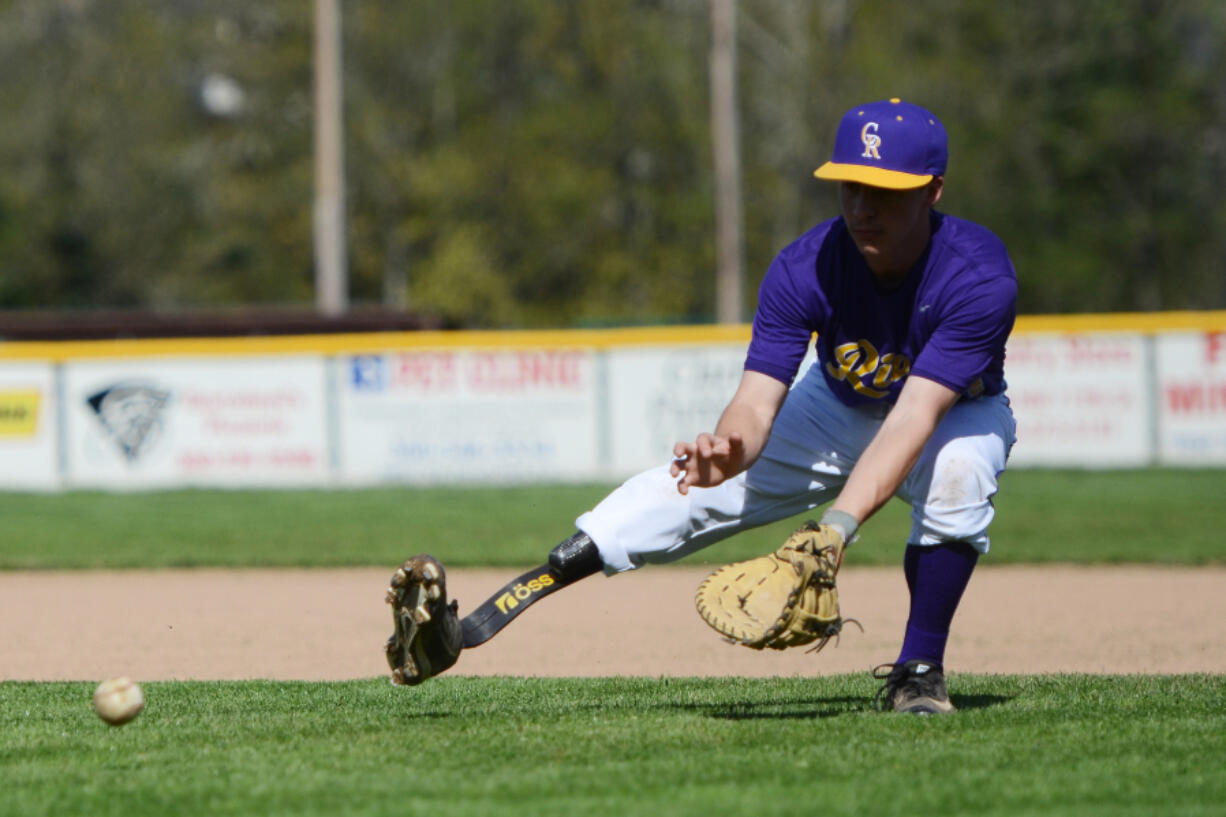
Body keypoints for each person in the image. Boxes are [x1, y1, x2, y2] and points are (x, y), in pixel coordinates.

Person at [385, 98, 1018, 715]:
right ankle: (472, 628)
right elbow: (756, 399)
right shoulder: (807, 266)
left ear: (932, 191)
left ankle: (919, 673)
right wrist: (730, 449)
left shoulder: (978, 275)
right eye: (849, 185)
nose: (861, 206)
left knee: (958, 476)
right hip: (835, 406)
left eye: (884, 190)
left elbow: (913, 417)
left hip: (955, 410)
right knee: (686, 490)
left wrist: (837, 527)